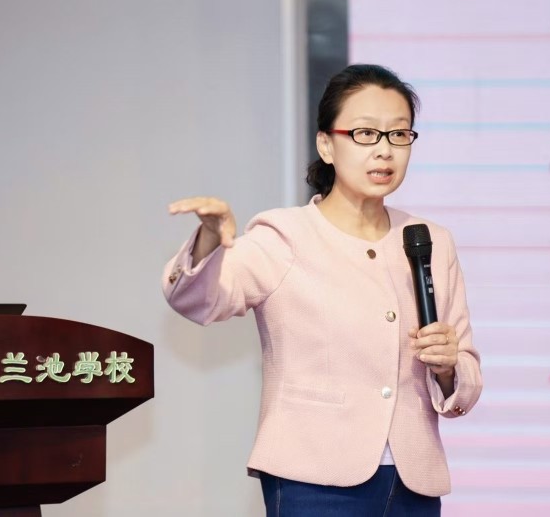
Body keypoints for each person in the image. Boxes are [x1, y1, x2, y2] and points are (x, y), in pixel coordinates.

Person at [162, 64, 482, 516]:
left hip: (413, 482)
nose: (384, 150)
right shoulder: (286, 235)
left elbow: (464, 376)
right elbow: (199, 301)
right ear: (326, 145)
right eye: (365, 134)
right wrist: (210, 240)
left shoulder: (431, 240)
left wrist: (449, 368)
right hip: (313, 478)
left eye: (398, 135)